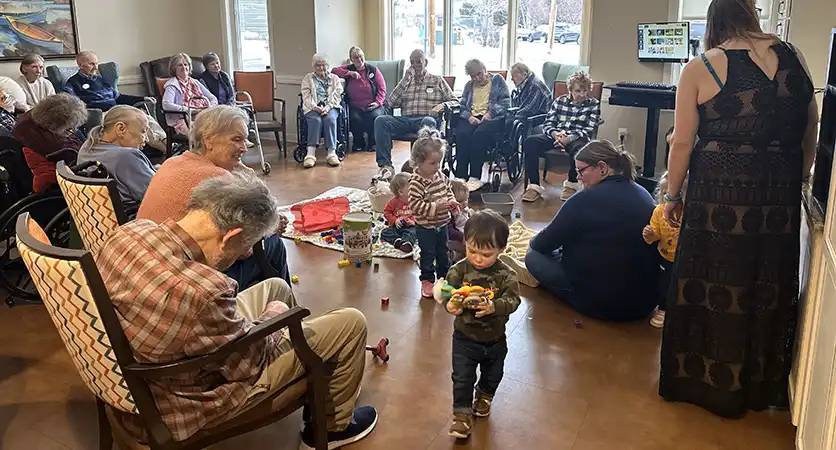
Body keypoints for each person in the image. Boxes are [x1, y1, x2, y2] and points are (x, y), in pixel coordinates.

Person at [96, 172, 378, 448]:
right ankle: (331, 427)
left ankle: (314, 383)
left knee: (275, 286)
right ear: (231, 236)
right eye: (245, 248)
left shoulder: (130, 232)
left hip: (142, 367)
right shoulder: (206, 289)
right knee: (350, 323)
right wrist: (274, 316)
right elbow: (247, 365)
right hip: (183, 399)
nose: (243, 256)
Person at [658, 0, 818, 418]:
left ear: (713, 21)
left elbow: (681, 142)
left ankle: (707, 381)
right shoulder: (793, 55)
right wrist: (797, 174)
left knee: (714, 278)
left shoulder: (702, 67)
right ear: (753, 15)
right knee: (767, 279)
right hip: (779, 192)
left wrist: (672, 196)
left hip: (719, 193)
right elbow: (810, 125)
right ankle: (759, 383)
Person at [137, 105, 291, 289]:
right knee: (273, 244)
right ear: (209, 140)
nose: (244, 148)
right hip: (184, 280)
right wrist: (269, 228)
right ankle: (283, 308)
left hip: (148, 269)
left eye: (245, 140)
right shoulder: (219, 179)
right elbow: (241, 248)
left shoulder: (171, 162)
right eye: (236, 140)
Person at [524, 140, 660, 321]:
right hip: (645, 303)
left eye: (581, 171)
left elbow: (540, 244)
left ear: (602, 168)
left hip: (600, 303)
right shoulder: (645, 194)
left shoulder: (583, 199)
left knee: (532, 256)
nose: (578, 177)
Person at [443, 209, 521, 439]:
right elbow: (448, 293)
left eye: (486, 254)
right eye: (472, 250)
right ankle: (461, 416)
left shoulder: (506, 275)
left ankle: (485, 395)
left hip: (495, 339)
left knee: (493, 374)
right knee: (462, 377)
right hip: (465, 337)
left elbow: (514, 300)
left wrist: (494, 306)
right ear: (465, 243)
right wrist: (450, 305)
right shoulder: (459, 270)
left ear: (501, 249)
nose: (477, 258)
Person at [374, 49, 456, 180]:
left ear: (426, 62)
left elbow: (455, 101)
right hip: (406, 120)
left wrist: (442, 106)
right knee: (381, 120)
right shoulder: (406, 82)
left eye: (419, 62)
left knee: (428, 122)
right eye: (412, 62)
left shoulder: (437, 80)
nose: (415, 65)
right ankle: (386, 166)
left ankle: (422, 165)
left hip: (427, 119)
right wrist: (405, 80)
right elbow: (391, 103)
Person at [521, 71, 601, 202]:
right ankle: (534, 186)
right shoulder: (559, 101)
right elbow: (548, 123)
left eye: (585, 90)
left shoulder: (593, 104)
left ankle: (571, 184)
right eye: (578, 91)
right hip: (556, 135)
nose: (581, 94)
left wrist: (568, 139)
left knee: (579, 149)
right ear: (570, 90)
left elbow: (589, 129)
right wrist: (556, 135)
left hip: (577, 137)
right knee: (530, 142)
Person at [77, 106, 156, 217]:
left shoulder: (87, 146)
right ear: (121, 129)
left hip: (100, 218)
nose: (146, 139)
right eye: (143, 131)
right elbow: (158, 194)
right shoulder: (127, 156)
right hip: (135, 219)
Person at [408, 127, 458, 298]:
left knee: (443, 252)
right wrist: (436, 206)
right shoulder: (416, 182)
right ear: (418, 162)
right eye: (432, 163)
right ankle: (427, 280)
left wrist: (452, 202)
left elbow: (448, 190)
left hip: (442, 223)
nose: (437, 167)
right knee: (428, 254)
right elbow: (414, 205)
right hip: (426, 226)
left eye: (439, 162)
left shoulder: (441, 176)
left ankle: (444, 279)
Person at [454, 59, 511, 191]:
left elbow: (506, 102)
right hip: (473, 117)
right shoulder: (469, 85)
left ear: (485, 70)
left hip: (493, 118)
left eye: (479, 74)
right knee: (462, 134)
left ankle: (475, 177)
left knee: (478, 135)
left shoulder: (497, 80)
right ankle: (460, 176)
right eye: (473, 76)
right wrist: (469, 117)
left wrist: (490, 113)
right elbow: (462, 105)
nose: (477, 78)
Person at [12, 93, 86, 193]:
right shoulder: (40, 143)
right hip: (65, 185)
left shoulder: (37, 115)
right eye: (69, 130)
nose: (74, 131)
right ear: (54, 127)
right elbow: (45, 178)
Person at [641, 172, 685, 329]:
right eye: (663, 192)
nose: (666, 196)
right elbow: (654, 237)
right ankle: (663, 309)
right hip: (665, 256)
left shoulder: (689, 214)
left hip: (685, 258)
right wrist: (650, 234)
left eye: (672, 193)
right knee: (664, 284)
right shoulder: (659, 212)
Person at [331, 46, 387, 152]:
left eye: (361, 56)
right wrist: (349, 73)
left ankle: (373, 143)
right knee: (355, 118)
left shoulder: (373, 70)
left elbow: (382, 88)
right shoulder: (349, 69)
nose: (359, 60)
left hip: (373, 104)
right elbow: (333, 71)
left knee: (374, 117)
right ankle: (358, 143)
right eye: (356, 57)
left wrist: (378, 102)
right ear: (351, 59)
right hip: (355, 105)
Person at [64, 51, 149, 111]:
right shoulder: (73, 82)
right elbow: (67, 99)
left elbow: (118, 97)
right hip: (100, 115)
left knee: (146, 119)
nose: (96, 67)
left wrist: (143, 98)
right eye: (91, 64)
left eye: (96, 63)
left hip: (116, 110)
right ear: (80, 65)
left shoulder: (100, 79)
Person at [301, 54, 344, 168]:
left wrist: (328, 107)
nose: (321, 68)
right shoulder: (308, 79)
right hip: (312, 108)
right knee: (316, 120)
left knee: (330, 119)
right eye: (317, 65)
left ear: (327, 66)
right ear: (313, 67)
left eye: (323, 65)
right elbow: (306, 97)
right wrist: (316, 107)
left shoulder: (335, 79)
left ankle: (331, 153)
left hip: (331, 107)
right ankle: (310, 154)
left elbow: (337, 95)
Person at [162, 53, 218, 135]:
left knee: (220, 128)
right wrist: (189, 110)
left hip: (203, 115)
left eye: (186, 64)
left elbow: (213, 98)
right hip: (183, 119)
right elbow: (166, 104)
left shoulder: (195, 82)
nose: (184, 67)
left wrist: (209, 107)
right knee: (204, 133)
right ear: (174, 68)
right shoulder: (172, 85)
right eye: (180, 65)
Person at [381, 172, 416, 253]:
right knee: (384, 232)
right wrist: (395, 220)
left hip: (410, 227)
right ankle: (397, 241)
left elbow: (420, 213)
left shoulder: (415, 201)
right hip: (396, 227)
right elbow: (387, 212)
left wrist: (413, 221)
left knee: (414, 232)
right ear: (400, 192)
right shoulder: (393, 202)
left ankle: (406, 243)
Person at [448, 179, 470, 261]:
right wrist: (461, 237)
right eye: (460, 201)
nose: (464, 203)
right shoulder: (450, 214)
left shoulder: (465, 209)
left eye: (466, 199)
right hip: (455, 238)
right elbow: (449, 231)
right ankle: (452, 255)